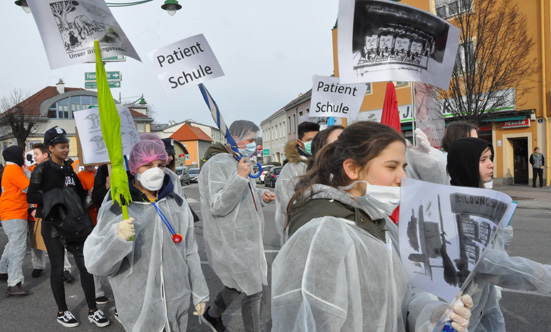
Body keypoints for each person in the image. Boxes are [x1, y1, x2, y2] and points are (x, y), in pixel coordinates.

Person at [272, 121, 473, 332]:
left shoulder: (379, 221)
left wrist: (431, 314)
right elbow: (306, 320)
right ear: (352, 169)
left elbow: (400, 295)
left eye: (403, 167)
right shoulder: (322, 234)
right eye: (391, 166)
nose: (403, 178)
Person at [84, 139, 209, 331]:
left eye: (160, 165)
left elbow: (190, 250)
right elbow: (96, 265)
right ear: (133, 167)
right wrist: (116, 239)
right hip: (138, 306)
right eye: (148, 165)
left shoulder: (176, 204)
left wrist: (199, 291)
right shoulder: (120, 207)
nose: (156, 170)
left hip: (177, 302)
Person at [447, 137, 551, 331]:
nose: (492, 164)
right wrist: (543, 274)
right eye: (483, 160)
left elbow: (497, 249)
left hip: (484, 299)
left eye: (491, 158)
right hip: (460, 312)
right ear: (466, 164)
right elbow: (488, 262)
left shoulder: (483, 199)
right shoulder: (455, 207)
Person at [27, 126, 109, 328]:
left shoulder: (70, 169)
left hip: (76, 226)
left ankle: (93, 309)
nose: (66, 150)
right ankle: (62, 311)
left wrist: (97, 191)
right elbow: (32, 196)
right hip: (54, 227)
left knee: (85, 267)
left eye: (67, 146)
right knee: (57, 269)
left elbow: (80, 196)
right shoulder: (41, 169)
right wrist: (54, 197)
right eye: (62, 147)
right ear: (51, 148)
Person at [199, 120, 275, 332]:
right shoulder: (217, 164)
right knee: (253, 291)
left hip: (248, 238)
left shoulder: (239, 160)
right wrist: (240, 177)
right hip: (231, 240)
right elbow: (218, 204)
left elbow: (243, 194)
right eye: (250, 140)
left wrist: (261, 195)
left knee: (236, 285)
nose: (254, 144)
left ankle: (213, 314)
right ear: (235, 139)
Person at [274, 121, 319, 244]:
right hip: (298, 229)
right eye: (310, 140)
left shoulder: (323, 163)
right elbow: (287, 204)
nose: (314, 143)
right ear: (300, 143)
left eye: (317, 139)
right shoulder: (291, 168)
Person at [0, 145, 31, 295]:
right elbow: (28, 187)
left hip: (10, 212)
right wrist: (27, 171)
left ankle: (2, 269)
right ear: (16, 156)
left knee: (13, 244)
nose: (24, 158)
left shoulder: (9, 168)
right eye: (23, 155)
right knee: (18, 248)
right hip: (15, 212)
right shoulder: (14, 169)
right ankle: (14, 283)